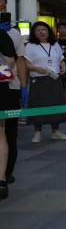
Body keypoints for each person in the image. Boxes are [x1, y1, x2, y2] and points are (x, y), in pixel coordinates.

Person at [25, 22, 66, 143]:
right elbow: (26, 64)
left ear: (49, 31)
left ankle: (56, 131)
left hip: (54, 78)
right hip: (39, 78)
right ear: (34, 33)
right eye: (38, 30)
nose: (41, 32)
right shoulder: (30, 46)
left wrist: (63, 65)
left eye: (44, 30)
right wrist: (36, 68)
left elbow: (60, 58)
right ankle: (37, 132)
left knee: (55, 104)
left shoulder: (55, 45)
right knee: (38, 105)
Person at [0, 0, 28, 184]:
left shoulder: (14, 34)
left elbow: (18, 61)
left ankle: (6, 171)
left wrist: (24, 85)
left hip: (10, 87)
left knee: (9, 131)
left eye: (3, 7)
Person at [0, 29, 17, 199]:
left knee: (0, 134)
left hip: (0, 88)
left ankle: (1, 179)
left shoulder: (1, 35)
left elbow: (11, 61)